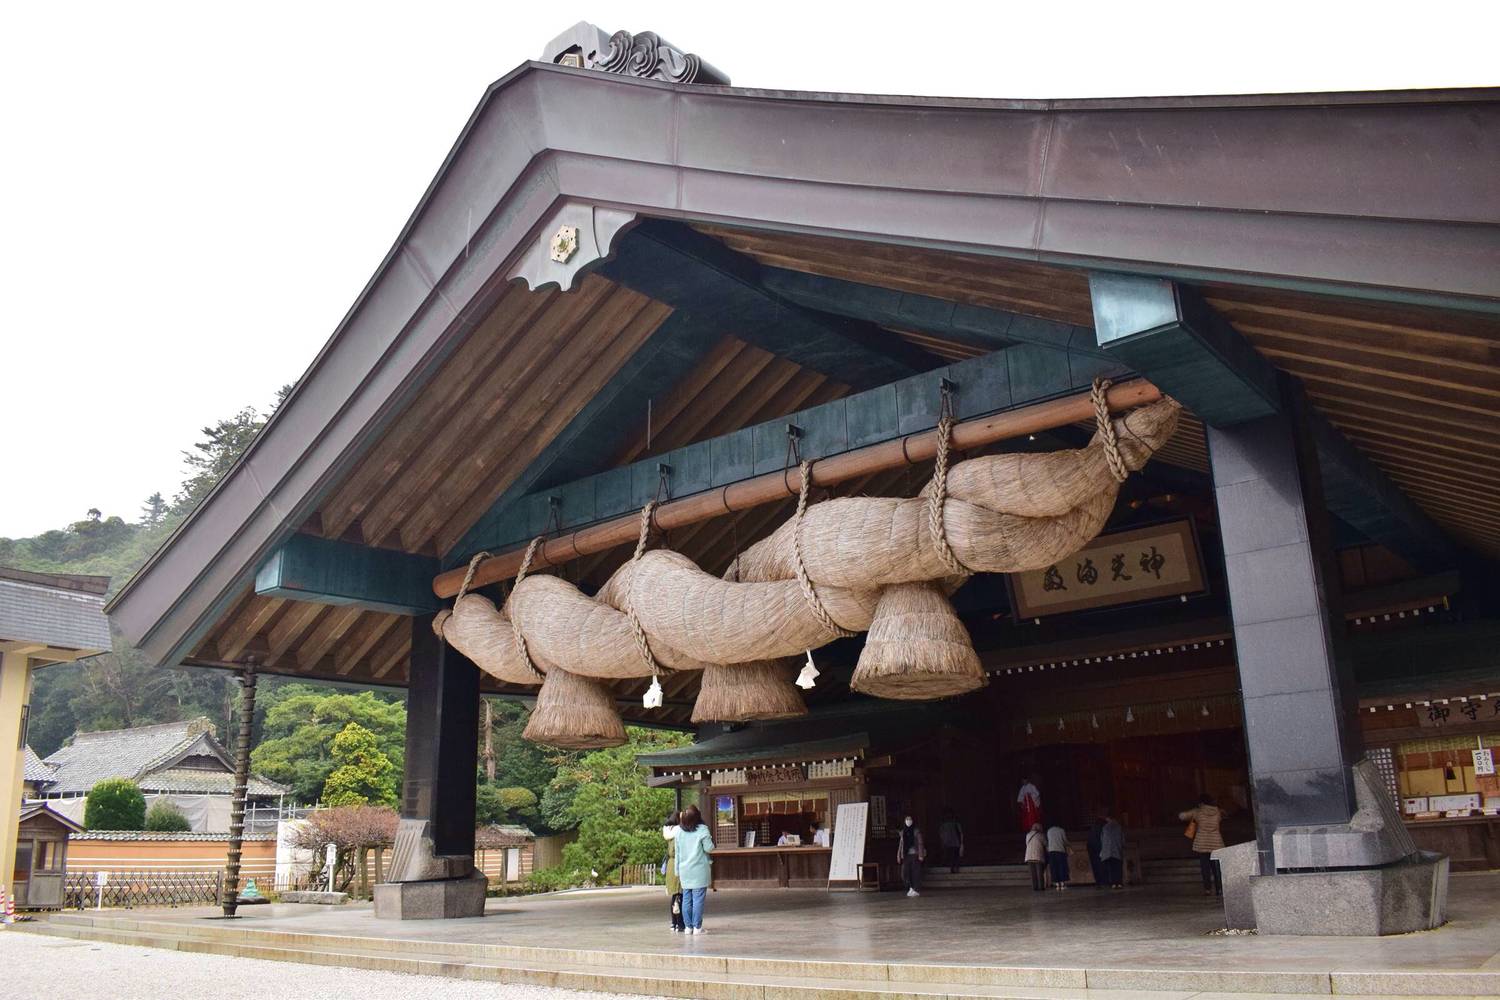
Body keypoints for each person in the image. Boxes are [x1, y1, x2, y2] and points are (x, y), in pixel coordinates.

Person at [675, 804, 715, 933]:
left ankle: (688, 927)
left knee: (687, 898)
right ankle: (697, 927)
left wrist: (677, 871)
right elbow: (709, 848)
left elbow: (677, 853)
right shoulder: (702, 829)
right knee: (698, 899)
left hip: (684, 870)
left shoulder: (679, 832)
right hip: (699, 870)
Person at [1179, 794, 1225, 897]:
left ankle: (1207, 889)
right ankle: (1219, 889)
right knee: (1216, 868)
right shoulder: (1217, 812)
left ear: (1201, 803)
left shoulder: (1197, 812)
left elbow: (1182, 816)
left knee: (1205, 868)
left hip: (1202, 843)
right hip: (1216, 843)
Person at [662, 811, 684, 932]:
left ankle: (673, 922)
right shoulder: (678, 832)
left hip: (670, 865)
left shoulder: (668, 832)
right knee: (679, 895)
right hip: (677, 864)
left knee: (674, 896)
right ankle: (680, 923)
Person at [896, 814, 925, 897]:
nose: (908, 821)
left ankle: (915, 889)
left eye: (910, 819)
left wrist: (921, 854)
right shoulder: (903, 832)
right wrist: (898, 855)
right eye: (907, 819)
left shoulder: (916, 831)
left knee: (915, 873)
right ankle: (910, 887)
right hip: (905, 855)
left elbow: (920, 843)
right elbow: (901, 845)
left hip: (915, 855)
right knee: (905, 873)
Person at [1099, 812, 1125, 889]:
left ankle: (1113, 883)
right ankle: (1119, 882)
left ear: (1108, 819)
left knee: (1111, 868)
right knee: (1118, 868)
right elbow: (1122, 839)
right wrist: (1121, 846)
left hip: (1108, 851)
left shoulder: (1105, 828)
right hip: (1117, 850)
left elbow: (1102, 840)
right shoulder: (1119, 827)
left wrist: (1103, 850)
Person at [937, 808, 964, 874]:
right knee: (955, 856)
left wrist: (943, 842)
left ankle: (952, 868)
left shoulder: (944, 824)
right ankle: (954, 868)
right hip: (954, 842)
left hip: (948, 842)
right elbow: (960, 833)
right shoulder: (955, 823)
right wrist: (961, 842)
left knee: (951, 855)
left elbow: (941, 834)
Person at [1045, 823, 1070, 890]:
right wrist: (1068, 844)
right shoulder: (1061, 830)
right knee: (1062, 867)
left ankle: (1057, 884)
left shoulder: (1049, 831)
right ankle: (1062, 884)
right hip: (1060, 851)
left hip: (1051, 852)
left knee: (1054, 868)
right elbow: (1065, 840)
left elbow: (1048, 841)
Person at [1024, 822, 1047, 892]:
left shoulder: (1028, 835)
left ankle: (1034, 887)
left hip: (1029, 856)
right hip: (1038, 856)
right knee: (1039, 873)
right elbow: (1045, 843)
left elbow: (1026, 843)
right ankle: (1041, 887)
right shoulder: (1041, 835)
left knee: (1032, 873)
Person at [1086, 812, 1106, 889]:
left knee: (1095, 867)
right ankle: (1102, 881)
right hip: (1098, 849)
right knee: (1101, 866)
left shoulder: (1093, 828)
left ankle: (1098, 882)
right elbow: (1101, 839)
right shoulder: (1101, 828)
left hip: (1092, 850)